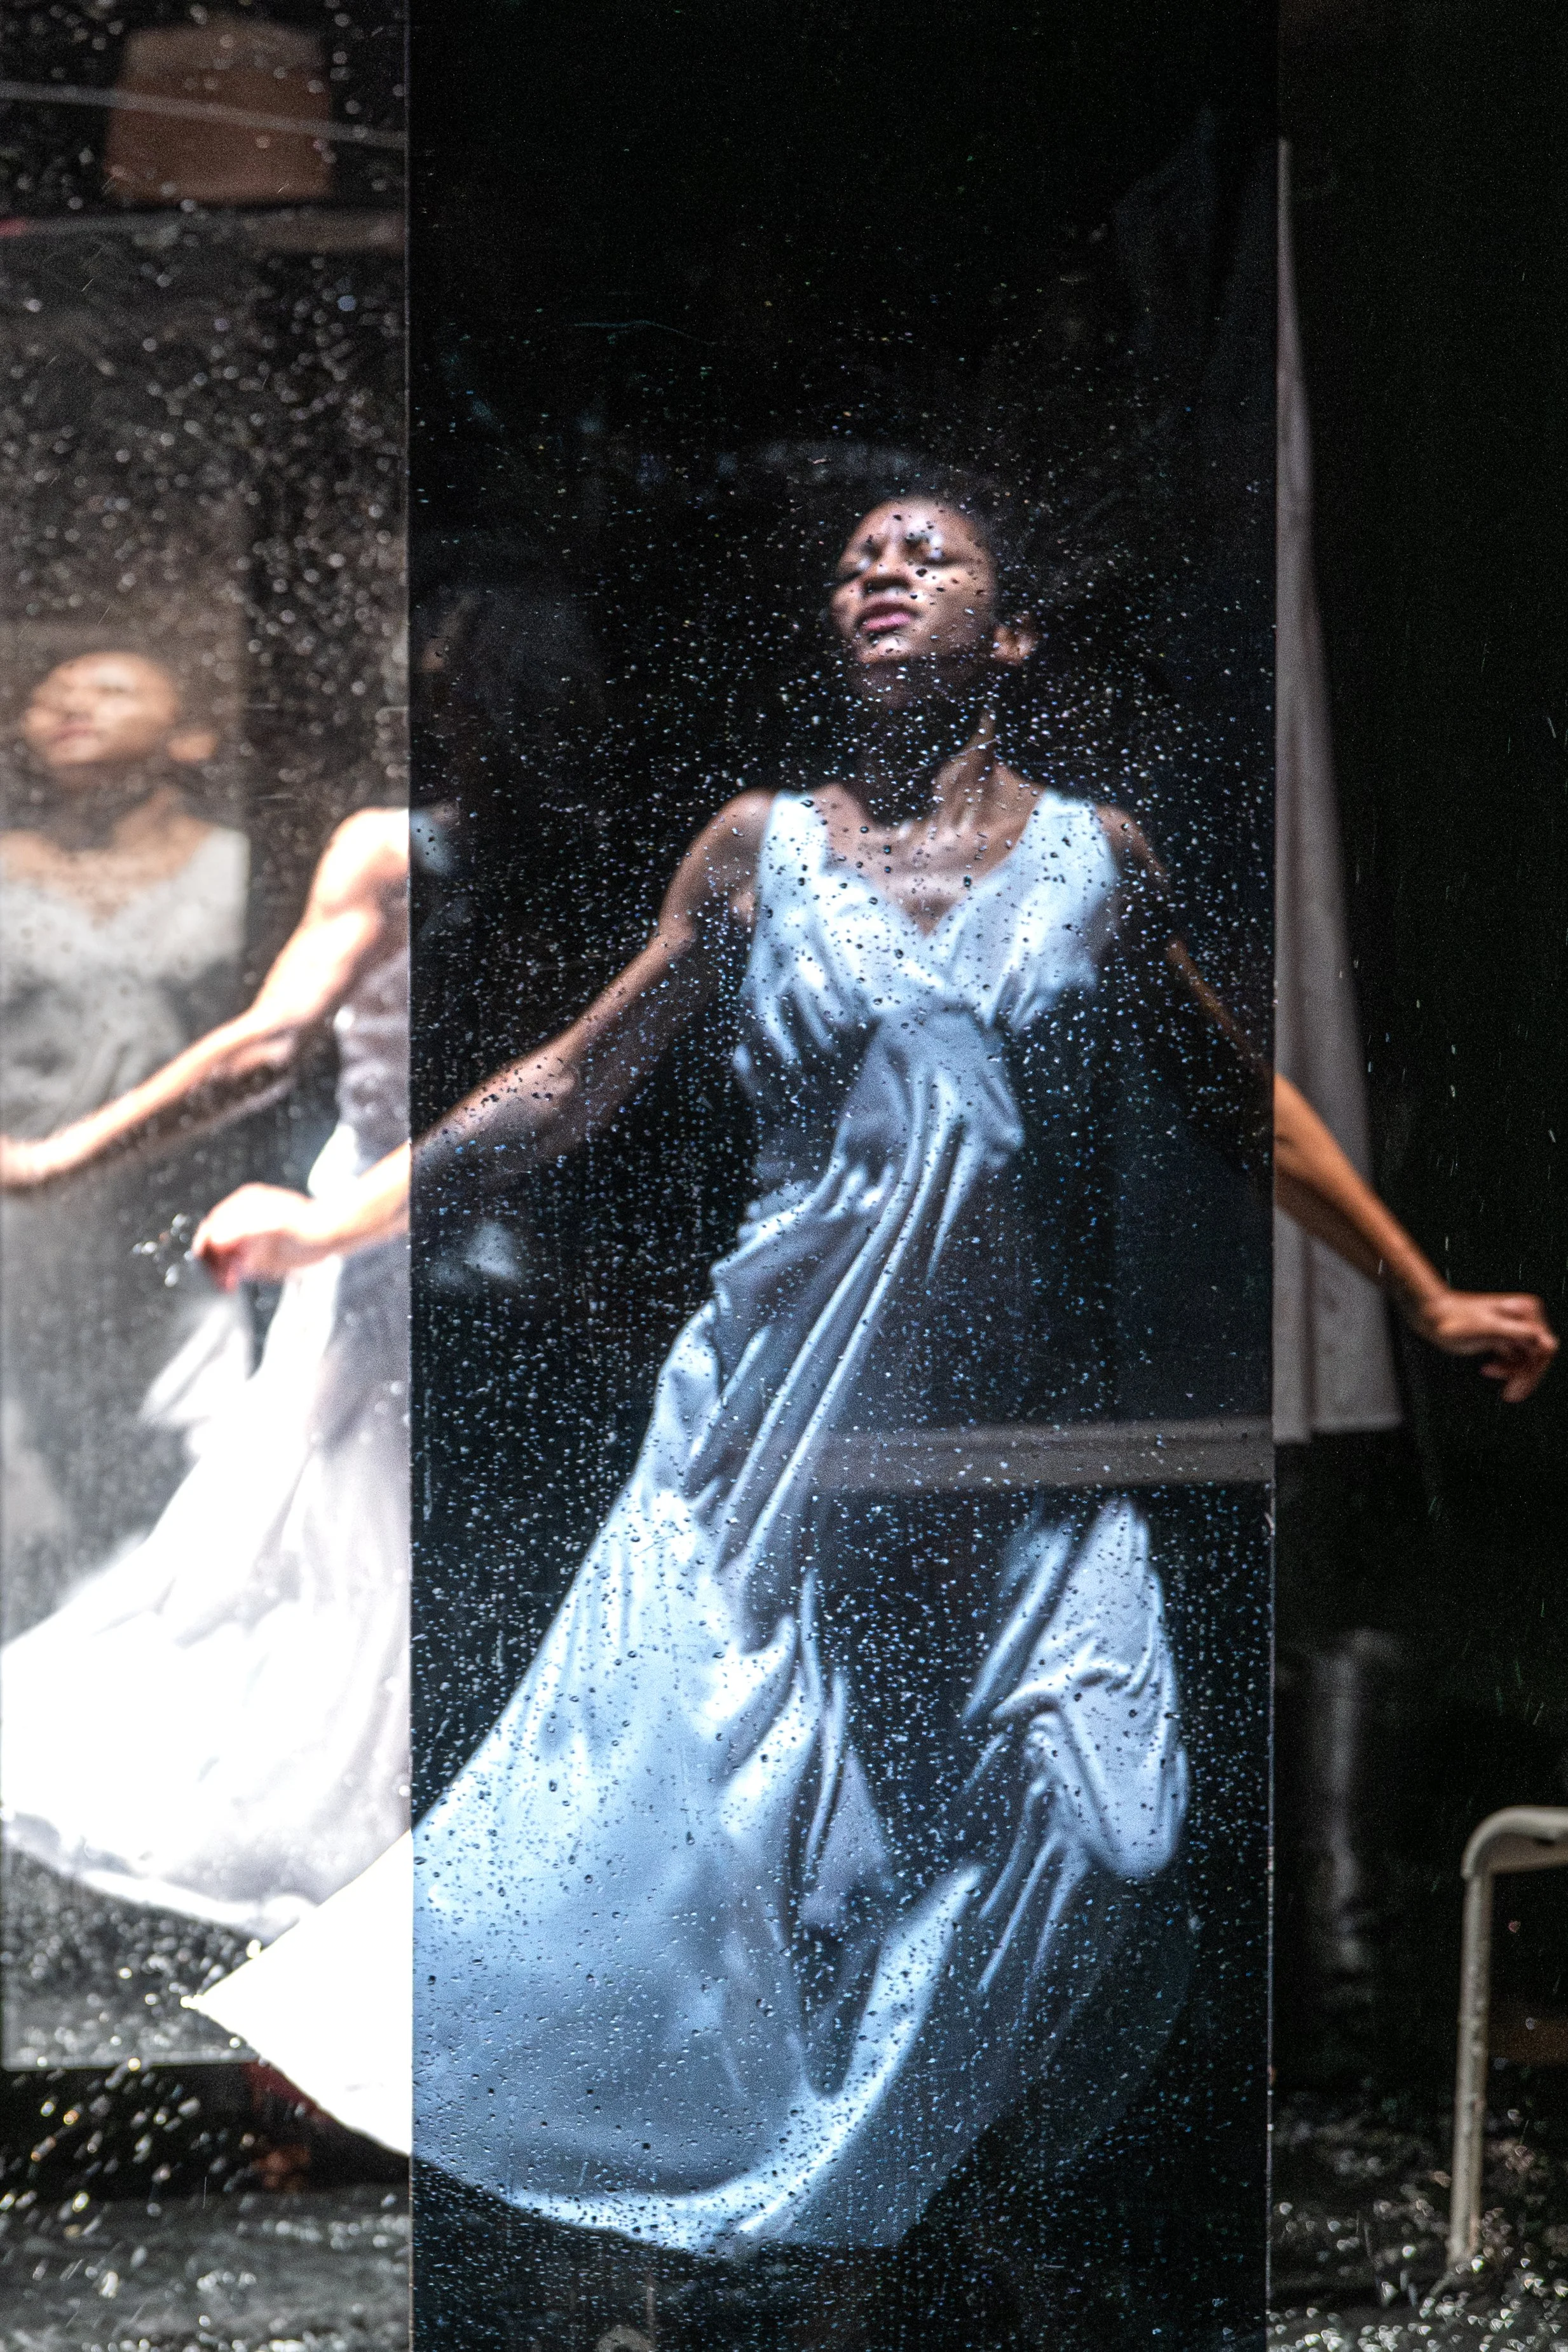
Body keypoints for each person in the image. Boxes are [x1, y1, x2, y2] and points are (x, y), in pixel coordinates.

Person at [191, 488, 1555, 2246]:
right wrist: (334, 1224)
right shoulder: (758, 849)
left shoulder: (1097, 859)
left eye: (931, 553)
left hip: (1018, 1452)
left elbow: (1238, 1098)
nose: (885, 570)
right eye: (856, 560)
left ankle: (861, 2176)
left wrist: (1425, 1290)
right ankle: (823, 2239)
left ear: (1014, 633)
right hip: (777, 1440)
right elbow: (572, 1079)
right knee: (711, 1849)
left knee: (1111, 1829)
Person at [0, 804, 410, 1941]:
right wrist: (50, 1160)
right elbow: (269, 1044)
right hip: (377, 1240)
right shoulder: (398, 846)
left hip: (478, 1234)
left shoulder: (548, 831)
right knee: (331, 1548)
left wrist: (51, 1159)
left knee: (386, 1563)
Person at [0, 650, 249, 1634]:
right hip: (19, 1207)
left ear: (191, 736)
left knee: (188, 1437)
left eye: (107, 687)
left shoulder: (243, 867)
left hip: (181, 1203)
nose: (68, 702)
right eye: (50, 692)